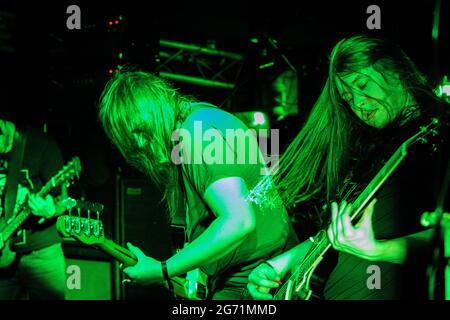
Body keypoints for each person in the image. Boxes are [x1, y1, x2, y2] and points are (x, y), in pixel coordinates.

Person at [247, 34, 450, 300]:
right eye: (347, 97)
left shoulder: (437, 135)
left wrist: (379, 249)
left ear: (395, 71)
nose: (358, 103)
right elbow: (333, 234)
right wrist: (279, 263)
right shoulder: (370, 150)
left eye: (362, 84)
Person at [97, 69, 298, 299]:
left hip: (254, 278)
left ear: (155, 111)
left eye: (142, 132)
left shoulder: (196, 132)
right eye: (132, 140)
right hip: (254, 273)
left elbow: (238, 220)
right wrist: (195, 267)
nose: (141, 144)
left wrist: (161, 270)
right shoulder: (201, 119)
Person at [0, 117, 69, 300]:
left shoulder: (42, 145)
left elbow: (64, 201)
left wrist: (50, 210)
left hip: (41, 254)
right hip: (2, 257)